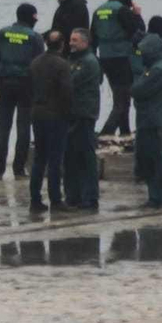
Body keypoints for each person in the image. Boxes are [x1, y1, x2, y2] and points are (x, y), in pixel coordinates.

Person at [0, 2, 43, 180]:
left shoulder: (3, 33)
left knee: (3, 127)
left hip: (5, 84)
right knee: (24, 127)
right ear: (31, 17)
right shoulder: (34, 37)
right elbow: (39, 66)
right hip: (26, 86)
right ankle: (19, 169)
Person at [28, 30, 73, 213]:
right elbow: (67, 93)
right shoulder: (62, 65)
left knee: (39, 158)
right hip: (56, 116)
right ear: (62, 44)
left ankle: (35, 199)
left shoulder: (35, 62)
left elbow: (29, 88)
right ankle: (55, 199)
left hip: (37, 113)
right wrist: (68, 114)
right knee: (55, 159)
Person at [92, 0, 143, 137]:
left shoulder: (98, 11)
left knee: (119, 96)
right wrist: (138, 15)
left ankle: (125, 132)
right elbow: (139, 32)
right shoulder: (122, 10)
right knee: (123, 100)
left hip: (105, 58)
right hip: (122, 57)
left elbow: (92, 38)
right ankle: (106, 133)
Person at [130, 33, 162, 207]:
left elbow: (137, 90)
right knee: (152, 158)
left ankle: (158, 196)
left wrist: (136, 87)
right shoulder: (155, 67)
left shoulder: (158, 69)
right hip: (150, 119)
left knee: (155, 159)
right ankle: (158, 194)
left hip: (154, 121)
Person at [64, 28, 102, 210]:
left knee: (86, 156)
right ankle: (73, 196)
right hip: (71, 113)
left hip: (84, 114)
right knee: (71, 156)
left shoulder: (88, 61)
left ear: (85, 43)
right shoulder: (72, 59)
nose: (71, 43)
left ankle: (90, 198)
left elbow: (70, 82)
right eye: (70, 40)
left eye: (75, 40)